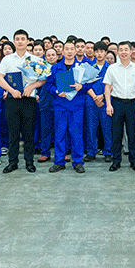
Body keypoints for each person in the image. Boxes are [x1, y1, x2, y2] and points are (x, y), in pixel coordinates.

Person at [0, 29, 46, 173]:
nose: (20, 41)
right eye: (17, 39)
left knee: (28, 133)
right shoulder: (7, 59)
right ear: (14, 41)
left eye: (22, 39)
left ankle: (29, 162)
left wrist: (31, 86)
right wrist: (11, 90)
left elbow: (43, 79)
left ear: (27, 41)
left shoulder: (35, 59)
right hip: (12, 99)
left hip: (29, 100)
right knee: (13, 133)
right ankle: (12, 162)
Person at [104, 41, 135, 171]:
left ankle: (134, 160)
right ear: (118, 52)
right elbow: (107, 87)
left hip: (132, 104)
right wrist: (108, 104)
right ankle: (116, 161)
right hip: (117, 103)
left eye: (126, 50)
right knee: (116, 134)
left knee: (132, 134)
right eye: (121, 50)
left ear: (130, 51)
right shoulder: (112, 68)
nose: (124, 52)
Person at [46, 41, 87, 173]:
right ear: (62, 52)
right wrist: (56, 91)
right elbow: (49, 85)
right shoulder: (55, 68)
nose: (69, 51)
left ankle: (78, 162)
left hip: (76, 106)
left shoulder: (81, 68)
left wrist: (81, 86)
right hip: (60, 105)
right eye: (67, 49)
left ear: (75, 51)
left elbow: (89, 84)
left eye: (71, 49)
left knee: (77, 135)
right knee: (60, 134)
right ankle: (59, 161)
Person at [85, 41, 114, 163]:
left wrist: (102, 96)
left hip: (106, 102)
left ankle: (108, 152)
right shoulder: (89, 68)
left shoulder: (111, 68)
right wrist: (95, 97)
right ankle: (91, 152)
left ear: (106, 52)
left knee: (107, 127)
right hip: (91, 102)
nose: (99, 54)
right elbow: (85, 84)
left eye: (102, 51)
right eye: (97, 51)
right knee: (91, 128)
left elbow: (113, 85)